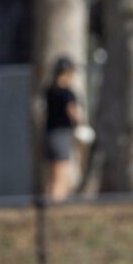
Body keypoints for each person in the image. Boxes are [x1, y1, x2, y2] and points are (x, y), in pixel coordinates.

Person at [43, 56, 82, 201]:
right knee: (61, 173)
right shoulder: (68, 94)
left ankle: (49, 201)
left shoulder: (49, 90)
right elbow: (73, 112)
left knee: (52, 174)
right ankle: (57, 204)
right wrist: (80, 124)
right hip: (62, 134)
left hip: (50, 134)